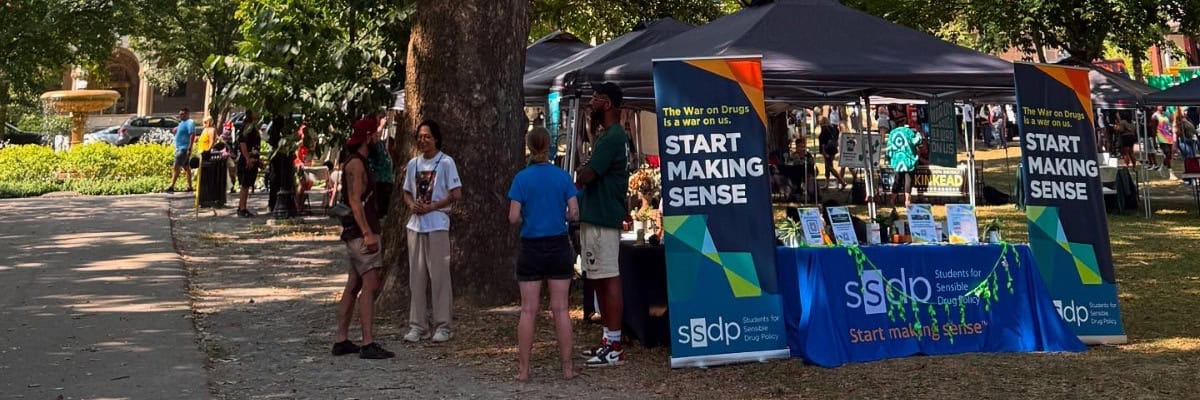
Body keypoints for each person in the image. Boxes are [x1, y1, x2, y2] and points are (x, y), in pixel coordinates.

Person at [507, 127, 579, 382]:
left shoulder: (521, 179)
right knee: (561, 309)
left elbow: (513, 217)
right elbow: (574, 212)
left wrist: (528, 217)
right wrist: (561, 215)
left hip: (531, 246)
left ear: (529, 147)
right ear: (549, 146)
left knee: (528, 310)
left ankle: (524, 370)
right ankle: (567, 368)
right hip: (558, 245)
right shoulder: (562, 176)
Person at [576, 82, 629, 368]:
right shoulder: (608, 136)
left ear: (608, 104)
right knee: (597, 277)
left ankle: (615, 345)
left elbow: (588, 175)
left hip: (603, 218)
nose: (591, 103)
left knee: (608, 277)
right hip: (597, 216)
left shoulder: (612, 138)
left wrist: (582, 173)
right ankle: (608, 339)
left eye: (596, 98)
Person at [331, 126, 395, 360]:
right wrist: (367, 232)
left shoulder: (359, 162)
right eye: (375, 134)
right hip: (361, 233)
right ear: (367, 137)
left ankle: (341, 339)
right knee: (370, 283)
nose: (378, 137)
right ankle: (368, 341)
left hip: (359, 231)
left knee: (354, 284)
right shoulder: (356, 164)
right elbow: (355, 201)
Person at [402, 119, 462, 343]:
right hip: (416, 225)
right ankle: (418, 325)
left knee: (439, 277)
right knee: (416, 278)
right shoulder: (413, 164)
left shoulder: (446, 162)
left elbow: (456, 193)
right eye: (420, 137)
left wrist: (433, 206)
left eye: (427, 136)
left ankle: (443, 325)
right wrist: (412, 206)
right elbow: (406, 192)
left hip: (437, 224)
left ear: (436, 138)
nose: (423, 140)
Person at [236, 111, 262, 217]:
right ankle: (242, 208)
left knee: (247, 184)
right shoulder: (246, 127)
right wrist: (247, 158)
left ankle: (242, 206)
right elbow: (243, 143)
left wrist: (258, 160)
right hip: (246, 160)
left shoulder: (254, 127)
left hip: (253, 159)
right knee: (245, 184)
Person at [886, 126, 920, 207]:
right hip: (908, 160)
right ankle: (907, 201)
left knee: (897, 180)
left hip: (897, 160)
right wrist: (918, 134)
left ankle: (892, 200)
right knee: (908, 181)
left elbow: (889, 148)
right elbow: (916, 141)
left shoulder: (892, 132)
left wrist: (889, 158)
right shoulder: (909, 132)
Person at [167, 108, 197, 193]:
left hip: (183, 149)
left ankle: (171, 186)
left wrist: (190, 148)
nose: (180, 116)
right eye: (180, 114)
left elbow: (192, 135)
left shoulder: (190, 122)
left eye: (182, 114)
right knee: (186, 168)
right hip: (180, 148)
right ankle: (190, 186)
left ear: (187, 114)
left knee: (176, 166)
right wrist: (177, 129)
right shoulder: (182, 123)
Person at [817, 117, 845, 190]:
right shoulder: (832, 128)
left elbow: (823, 143)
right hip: (833, 149)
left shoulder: (824, 130)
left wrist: (824, 153)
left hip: (827, 151)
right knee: (828, 167)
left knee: (829, 167)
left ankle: (841, 181)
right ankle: (827, 184)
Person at [1156, 107, 1178, 179]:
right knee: (1167, 153)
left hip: (1168, 136)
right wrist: (1154, 139)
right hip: (1161, 137)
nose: (1163, 106)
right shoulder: (1155, 116)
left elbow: (1173, 119)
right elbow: (1153, 128)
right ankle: (1171, 172)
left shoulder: (1166, 114)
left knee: (1169, 155)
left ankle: (1161, 168)